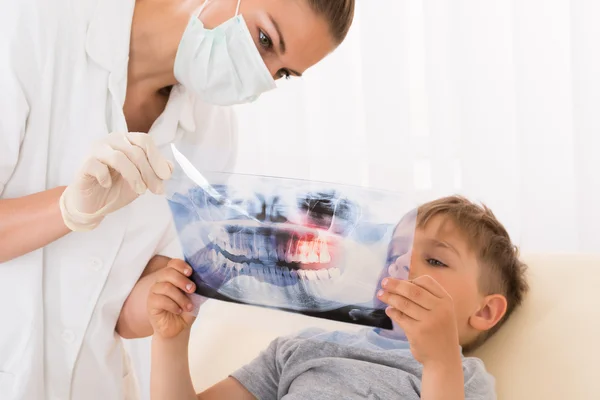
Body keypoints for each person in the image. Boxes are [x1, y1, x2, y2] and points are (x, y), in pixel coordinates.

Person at [0, 0, 355, 399]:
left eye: (282, 73)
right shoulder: (31, 25)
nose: (262, 79)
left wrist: (186, 286)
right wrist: (68, 208)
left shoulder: (213, 132)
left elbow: (123, 316)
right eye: (264, 39)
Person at [141, 195, 529, 399]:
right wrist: (171, 339)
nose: (401, 266)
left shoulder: (459, 378)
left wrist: (441, 362)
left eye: (433, 259)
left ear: (484, 310)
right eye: (394, 253)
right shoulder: (303, 348)